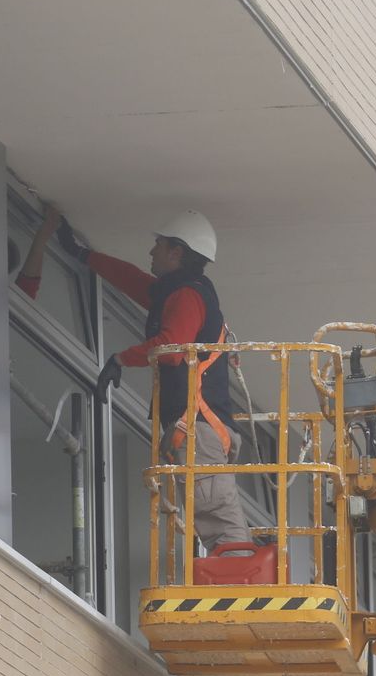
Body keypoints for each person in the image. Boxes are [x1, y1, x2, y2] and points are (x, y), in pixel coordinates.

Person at [42, 205, 252, 548]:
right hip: (197, 431)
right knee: (213, 523)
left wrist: (121, 358)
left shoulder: (188, 296)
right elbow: (130, 279)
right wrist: (81, 254)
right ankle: (237, 579)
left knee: (219, 527)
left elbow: (171, 348)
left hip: (199, 433)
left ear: (177, 252)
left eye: (159, 245)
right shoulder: (178, 291)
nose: (151, 251)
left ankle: (242, 584)